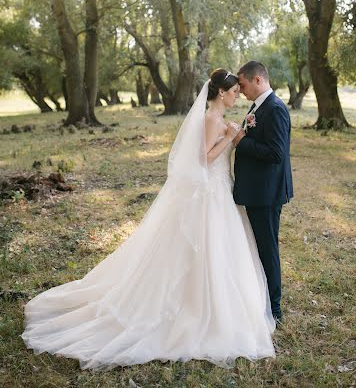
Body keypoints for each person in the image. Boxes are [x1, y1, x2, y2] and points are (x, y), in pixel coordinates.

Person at [22, 69, 276, 370]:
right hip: (209, 193)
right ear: (221, 93)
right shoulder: (210, 119)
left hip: (220, 191)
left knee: (223, 252)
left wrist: (229, 134)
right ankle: (193, 310)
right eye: (234, 91)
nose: (238, 95)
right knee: (202, 249)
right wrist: (230, 137)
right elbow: (205, 159)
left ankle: (224, 310)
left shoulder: (217, 119)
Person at [233, 61, 293, 323]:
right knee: (259, 247)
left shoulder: (275, 109)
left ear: (257, 80)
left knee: (268, 249)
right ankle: (263, 300)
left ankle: (275, 310)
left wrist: (241, 141)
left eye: (243, 85)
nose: (241, 91)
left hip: (267, 193)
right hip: (256, 191)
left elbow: (276, 154)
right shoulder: (259, 106)